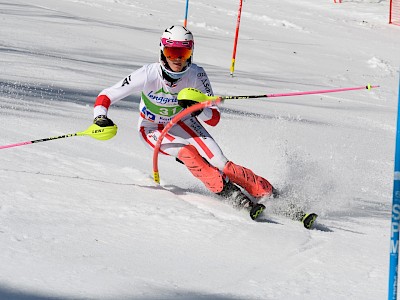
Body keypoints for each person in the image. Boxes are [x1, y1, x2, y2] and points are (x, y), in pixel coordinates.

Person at [92, 25, 276, 213]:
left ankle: (268, 192)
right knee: (189, 154)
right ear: (163, 51)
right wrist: (100, 117)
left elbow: (214, 119)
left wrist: (198, 109)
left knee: (224, 165)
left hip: (185, 122)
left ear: (191, 52)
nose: (178, 59)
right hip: (152, 128)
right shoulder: (148, 74)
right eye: (172, 52)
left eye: (184, 52)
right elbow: (107, 95)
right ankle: (233, 195)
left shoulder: (196, 75)